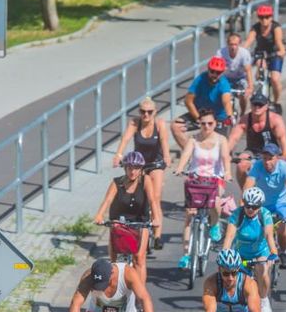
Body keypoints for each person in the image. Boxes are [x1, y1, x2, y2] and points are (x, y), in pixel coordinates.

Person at [174, 108, 232, 269]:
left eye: (210, 123)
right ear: (199, 123)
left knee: (216, 202)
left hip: (214, 179)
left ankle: (214, 225)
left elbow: (226, 158)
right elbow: (186, 155)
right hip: (196, 178)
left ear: (215, 124)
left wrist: (227, 172)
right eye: (203, 123)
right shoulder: (193, 140)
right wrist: (179, 167)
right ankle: (186, 254)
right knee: (189, 214)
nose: (206, 127)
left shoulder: (221, 140)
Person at [112, 98, 171, 250]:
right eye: (142, 111)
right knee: (140, 196)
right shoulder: (135, 123)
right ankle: (139, 228)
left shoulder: (160, 124)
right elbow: (125, 139)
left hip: (156, 163)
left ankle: (157, 235)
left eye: (149, 112)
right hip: (139, 165)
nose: (146, 115)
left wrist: (167, 156)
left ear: (155, 112)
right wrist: (118, 155)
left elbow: (164, 141)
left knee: (155, 197)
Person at [94, 151, 154, 283]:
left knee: (139, 258)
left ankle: (140, 293)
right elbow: (107, 200)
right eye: (130, 168)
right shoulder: (117, 183)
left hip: (140, 222)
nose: (133, 171)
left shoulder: (145, 181)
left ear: (141, 169)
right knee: (114, 260)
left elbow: (152, 201)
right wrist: (99, 215)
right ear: (125, 168)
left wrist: (156, 218)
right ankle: (115, 286)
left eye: (136, 168)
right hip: (119, 221)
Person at [244, 142, 286, 270]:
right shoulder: (257, 166)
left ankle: (284, 252)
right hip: (262, 203)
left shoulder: (285, 167)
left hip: (281, 203)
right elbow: (248, 186)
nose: (267, 162)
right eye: (264, 158)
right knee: (256, 227)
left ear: (277, 158)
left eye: (270, 158)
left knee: (282, 228)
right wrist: (242, 205)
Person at [222, 188, 280, 312]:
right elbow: (230, 236)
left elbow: (269, 236)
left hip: (260, 252)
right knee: (234, 276)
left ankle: (264, 299)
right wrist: (224, 253)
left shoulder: (265, 214)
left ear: (260, 206)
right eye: (248, 206)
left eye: (254, 207)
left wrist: (273, 253)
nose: (250, 209)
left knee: (262, 269)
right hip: (241, 254)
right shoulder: (237, 214)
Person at [227, 92, 286, 188]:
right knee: (241, 165)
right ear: (251, 105)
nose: (257, 107)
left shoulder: (275, 119)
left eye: (260, 105)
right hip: (252, 151)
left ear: (266, 106)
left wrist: (285, 154)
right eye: (254, 104)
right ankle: (246, 194)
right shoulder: (245, 119)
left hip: (271, 152)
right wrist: (225, 155)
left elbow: (282, 138)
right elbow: (234, 138)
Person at [172, 56, 235, 149]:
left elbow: (226, 101)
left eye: (218, 72)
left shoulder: (223, 84)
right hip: (199, 114)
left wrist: (230, 116)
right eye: (212, 71)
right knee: (175, 126)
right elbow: (188, 101)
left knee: (220, 147)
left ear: (222, 72)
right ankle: (192, 154)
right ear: (208, 69)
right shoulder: (200, 79)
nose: (214, 74)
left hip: (218, 117)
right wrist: (198, 118)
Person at [244, 4, 286, 107]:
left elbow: (278, 42)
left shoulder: (276, 27)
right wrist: (239, 51)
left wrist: (281, 51)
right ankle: (260, 90)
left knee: (275, 79)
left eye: (267, 17)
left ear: (271, 17)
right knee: (260, 67)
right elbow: (248, 41)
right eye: (261, 17)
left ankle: (277, 101)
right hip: (261, 53)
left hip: (274, 53)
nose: (264, 20)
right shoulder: (255, 28)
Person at [216, 32, 255, 118]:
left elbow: (248, 70)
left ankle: (243, 113)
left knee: (243, 95)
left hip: (240, 77)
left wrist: (250, 87)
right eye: (231, 44)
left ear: (239, 44)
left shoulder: (244, 53)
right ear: (227, 44)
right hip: (226, 78)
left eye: (235, 44)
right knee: (221, 95)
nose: (233, 47)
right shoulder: (221, 53)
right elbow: (216, 69)